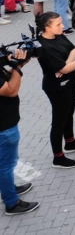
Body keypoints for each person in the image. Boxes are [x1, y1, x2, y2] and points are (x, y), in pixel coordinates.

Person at [36, 12, 75, 168]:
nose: (62, 26)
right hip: (56, 88)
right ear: (47, 27)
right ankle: (58, 157)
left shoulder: (58, 35)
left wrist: (64, 66)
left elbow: (73, 50)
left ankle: (70, 143)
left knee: (69, 113)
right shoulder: (44, 47)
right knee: (59, 120)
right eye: (58, 24)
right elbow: (68, 66)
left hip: (69, 81)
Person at [0, 46, 39, 215]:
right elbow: (10, 90)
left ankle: (9, 187)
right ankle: (12, 203)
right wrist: (16, 67)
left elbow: (6, 79)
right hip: (3, 126)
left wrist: (18, 65)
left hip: (6, 123)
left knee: (6, 163)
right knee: (6, 165)